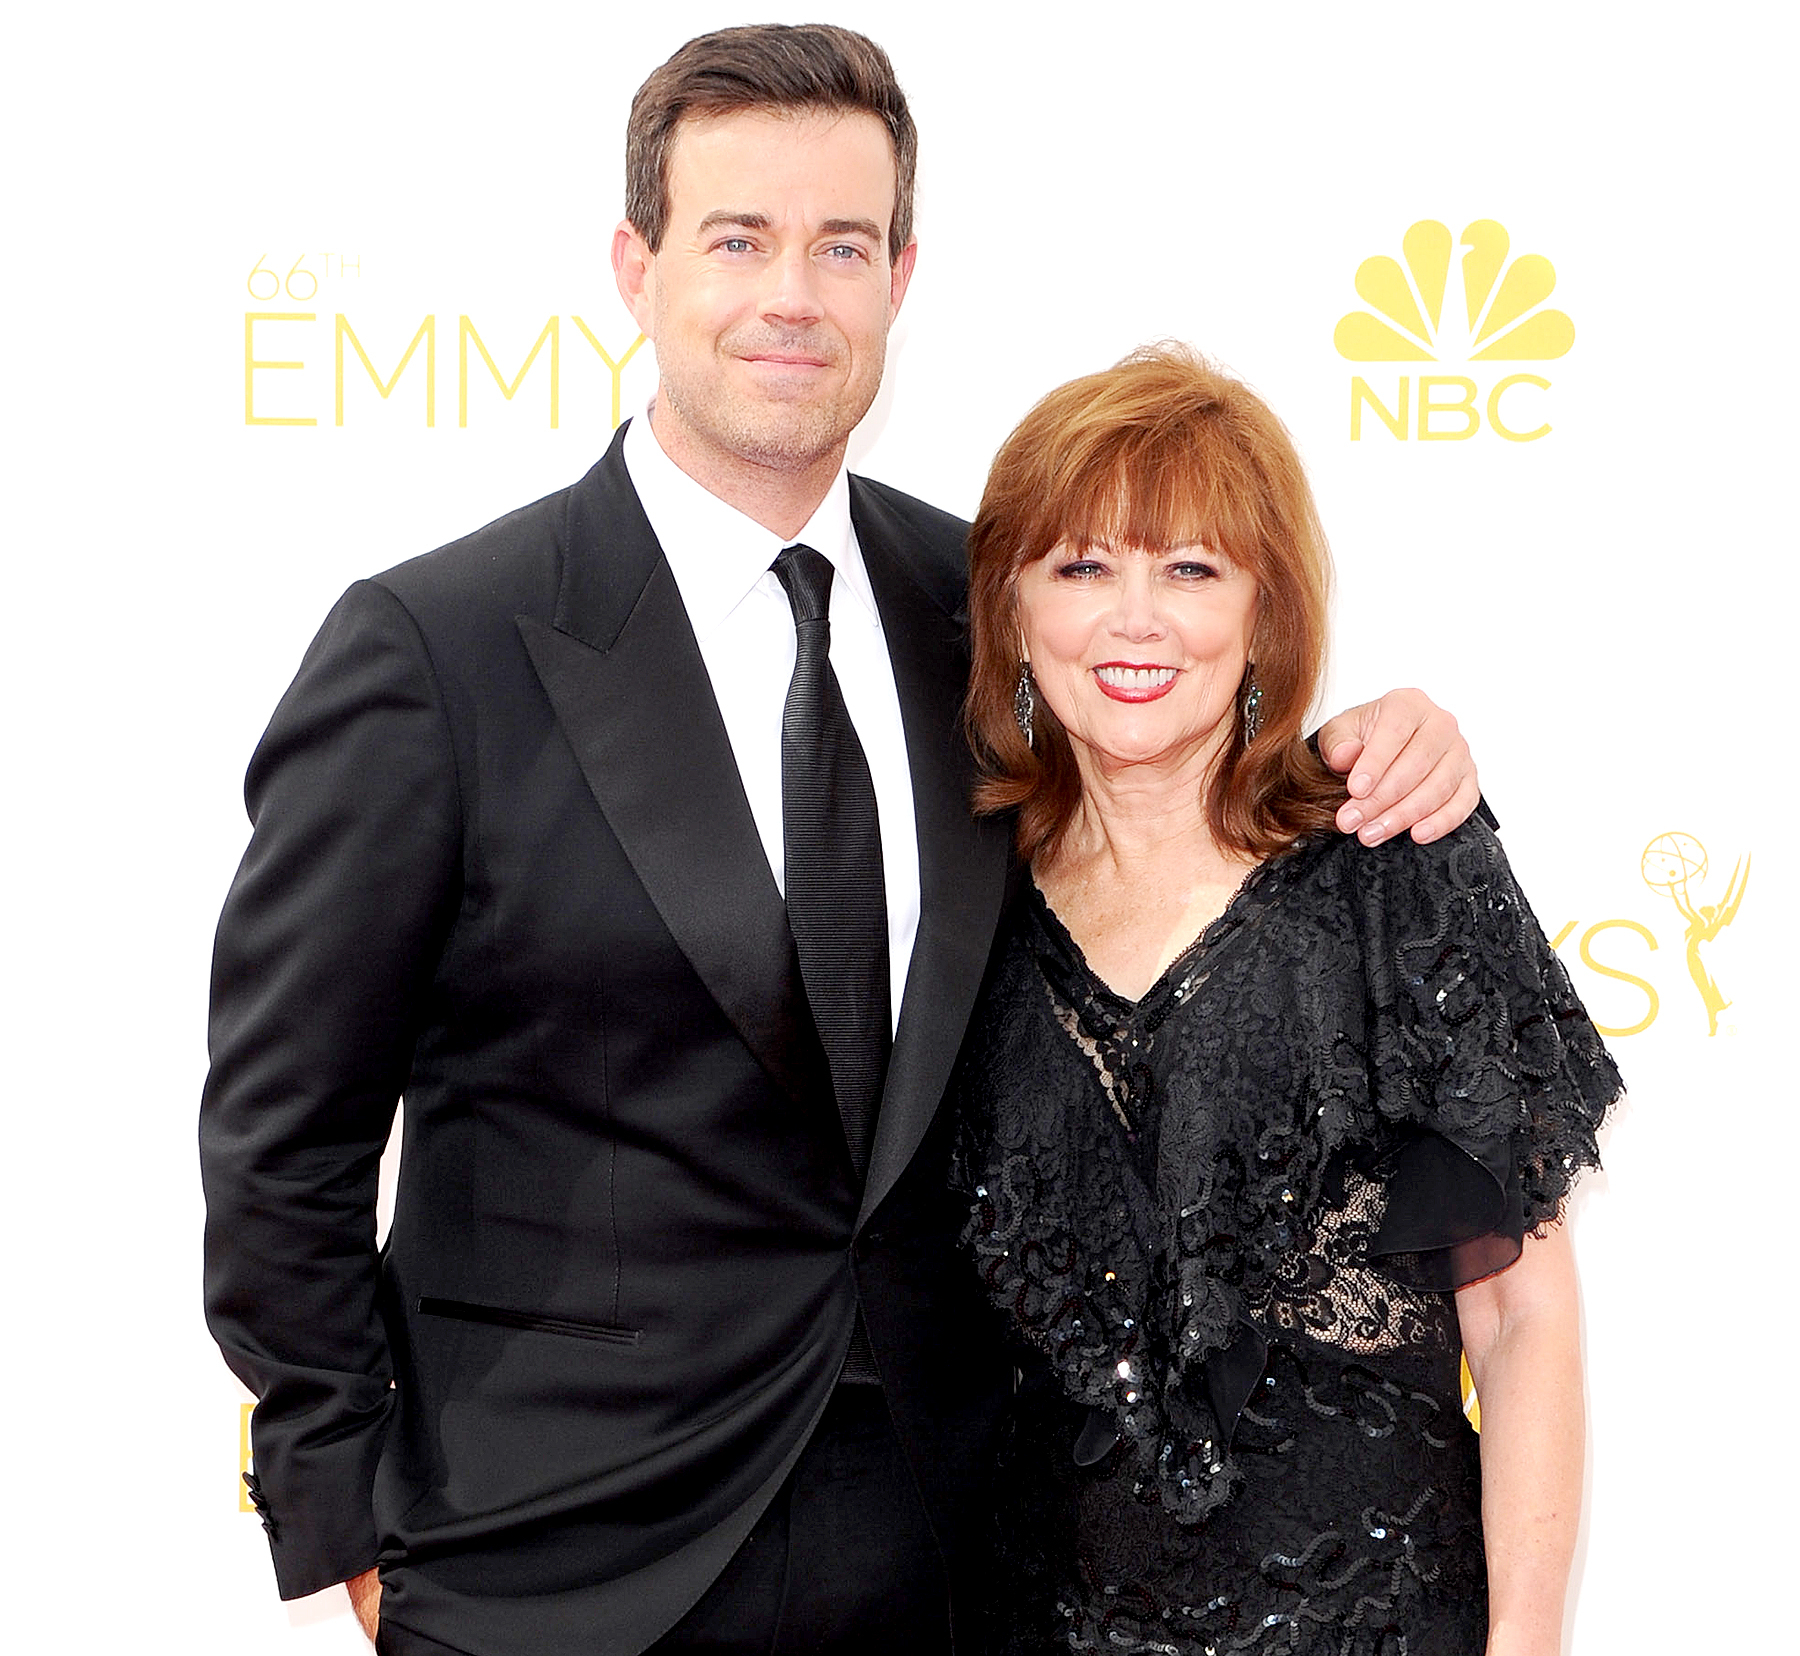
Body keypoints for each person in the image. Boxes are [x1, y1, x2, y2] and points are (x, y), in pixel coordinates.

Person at [200, 27, 1480, 1656]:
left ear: (901, 277)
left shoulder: (986, 606)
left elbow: (1170, 807)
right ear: (636, 267)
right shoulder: (435, 649)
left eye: (843, 245)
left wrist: (1380, 745)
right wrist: (354, 1533)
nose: (792, 296)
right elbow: (281, 1143)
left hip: (946, 1551)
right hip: (549, 1558)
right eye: (738, 240)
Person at [954, 347, 1621, 1656]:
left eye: (1191, 569)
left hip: (1378, 1620)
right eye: (1081, 567)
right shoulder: (954, 916)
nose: (1136, 619)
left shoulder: (1393, 863)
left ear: (1266, 613)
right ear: (1012, 611)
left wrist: (1528, 1640)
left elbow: (1521, 1314)